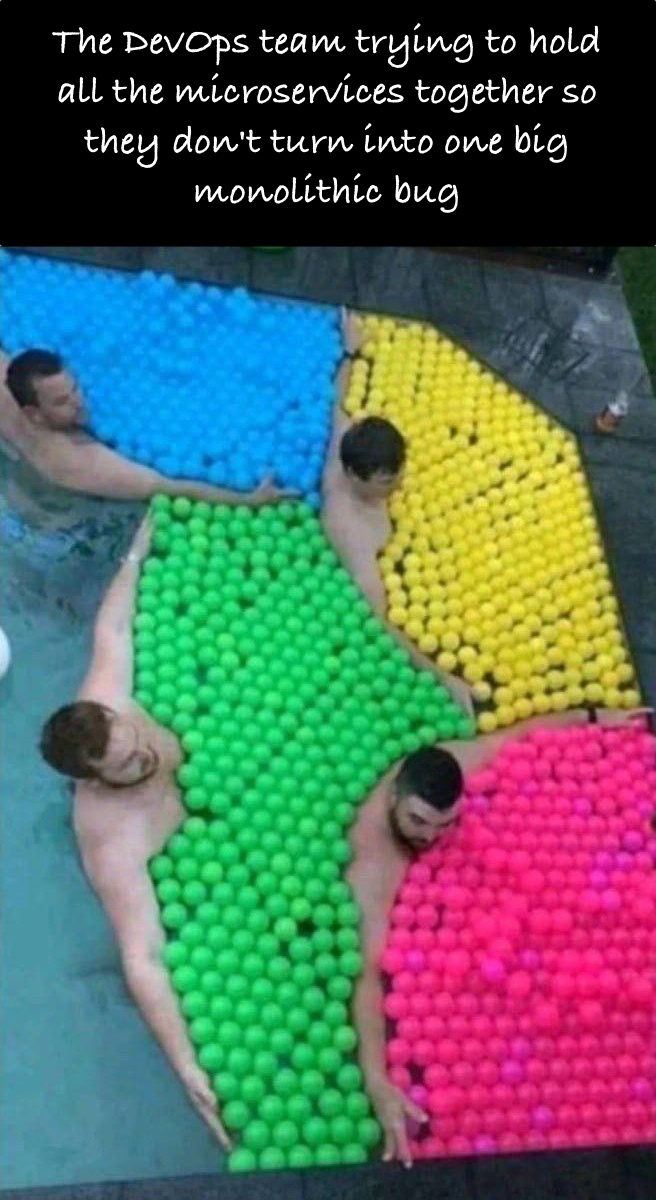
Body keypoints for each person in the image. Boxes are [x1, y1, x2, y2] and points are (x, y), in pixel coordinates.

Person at [346, 705, 648, 1169]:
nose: (431, 837)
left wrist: (592, 717)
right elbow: (366, 973)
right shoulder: (374, 860)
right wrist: (377, 1080)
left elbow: (515, 735)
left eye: (446, 823)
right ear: (393, 801)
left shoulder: (458, 761)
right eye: (418, 822)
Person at [38, 517, 233, 1149]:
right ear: (94, 779)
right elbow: (142, 956)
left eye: (130, 737)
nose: (142, 752)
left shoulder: (111, 702)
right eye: (125, 763)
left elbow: (114, 626)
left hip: (230, 793)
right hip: (203, 864)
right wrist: (188, 1065)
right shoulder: (111, 838)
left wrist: (140, 542)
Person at [323, 319, 473, 715]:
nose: (397, 484)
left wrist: (350, 350)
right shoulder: (353, 532)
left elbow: (337, 402)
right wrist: (444, 677)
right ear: (354, 476)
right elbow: (380, 622)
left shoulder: (346, 440)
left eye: (399, 472)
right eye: (387, 481)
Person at [0, 348, 292, 507]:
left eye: (75, 387)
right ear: (34, 414)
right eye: (62, 401)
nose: (78, 402)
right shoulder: (74, 459)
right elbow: (169, 487)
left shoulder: (11, 385)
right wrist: (248, 499)